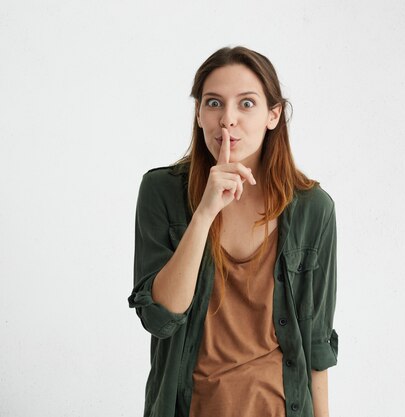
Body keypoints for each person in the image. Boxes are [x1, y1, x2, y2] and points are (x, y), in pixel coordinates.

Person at [128, 46, 338, 417]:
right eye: (213, 103)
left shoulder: (313, 209)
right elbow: (161, 318)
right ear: (198, 113)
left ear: (273, 115)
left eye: (246, 104)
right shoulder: (161, 192)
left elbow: (317, 344)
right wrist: (206, 211)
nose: (227, 119)